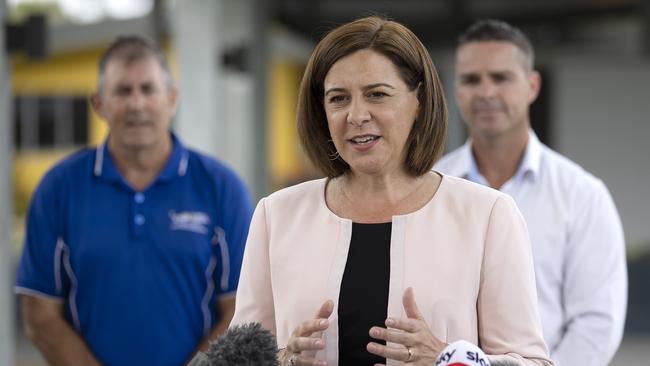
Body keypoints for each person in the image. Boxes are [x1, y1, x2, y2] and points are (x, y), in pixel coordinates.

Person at [230, 16, 552, 366]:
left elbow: (532, 362)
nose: (356, 115)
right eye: (338, 98)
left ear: (420, 103)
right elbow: (237, 359)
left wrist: (448, 359)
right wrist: (283, 361)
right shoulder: (276, 216)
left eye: (377, 95)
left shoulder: (487, 215)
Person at [15, 35, 253, 365]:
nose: (136, 104)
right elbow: (39, 313)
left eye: (148, 89)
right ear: (99, 103)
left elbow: (243, 308)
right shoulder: (59, 188)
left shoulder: (222, 187)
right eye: (123, 91)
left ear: (171, 99)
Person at [435, 20, 627, 366]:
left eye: (501, 77)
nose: (486, 92)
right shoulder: (429, 187)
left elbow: (597, 323)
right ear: (457, 90)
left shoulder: (583, 196)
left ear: (532, 85)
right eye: (471, 80)